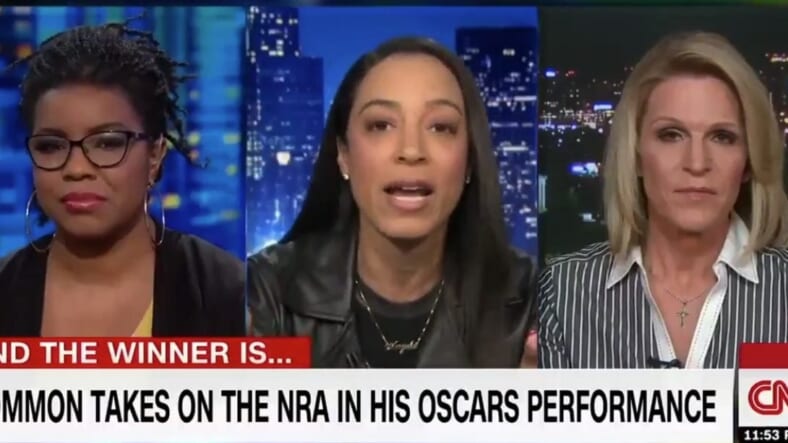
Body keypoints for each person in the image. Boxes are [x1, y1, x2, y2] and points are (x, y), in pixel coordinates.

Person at [247, 37, 536, 368]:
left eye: (440, 127)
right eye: (381, 125)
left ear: (470, 159)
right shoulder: (266, 294)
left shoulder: (532, 302)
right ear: (343, 154)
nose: (411, 150)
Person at [538, 31, 788, 369]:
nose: (697, 163)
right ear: (637, 155)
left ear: (748, 161)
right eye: (671, 135)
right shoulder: (563, 293)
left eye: (722, 137)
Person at [0, 20, 245, 337]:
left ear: (155, 155)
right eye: (51, 146)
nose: (77, 168)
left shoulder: (229, 295)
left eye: (108, 143)